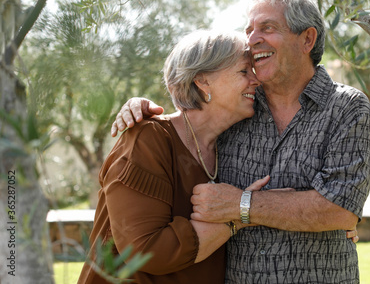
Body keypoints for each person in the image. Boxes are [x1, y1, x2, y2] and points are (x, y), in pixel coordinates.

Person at [112, 0, 370, 283]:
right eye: (248, 29)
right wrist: (137, 106)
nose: (251, 40)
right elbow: (189, 117)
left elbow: (340, 210)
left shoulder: (346, 107)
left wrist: (241, 206)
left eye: (267, 27)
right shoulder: (238, 106)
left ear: (307, 39)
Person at [78, 30, 263, 283]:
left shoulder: (231, 144)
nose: (256, 80)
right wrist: (239, 217)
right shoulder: (147, 139)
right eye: (244, 71)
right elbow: (146, 251)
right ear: (202, 81)